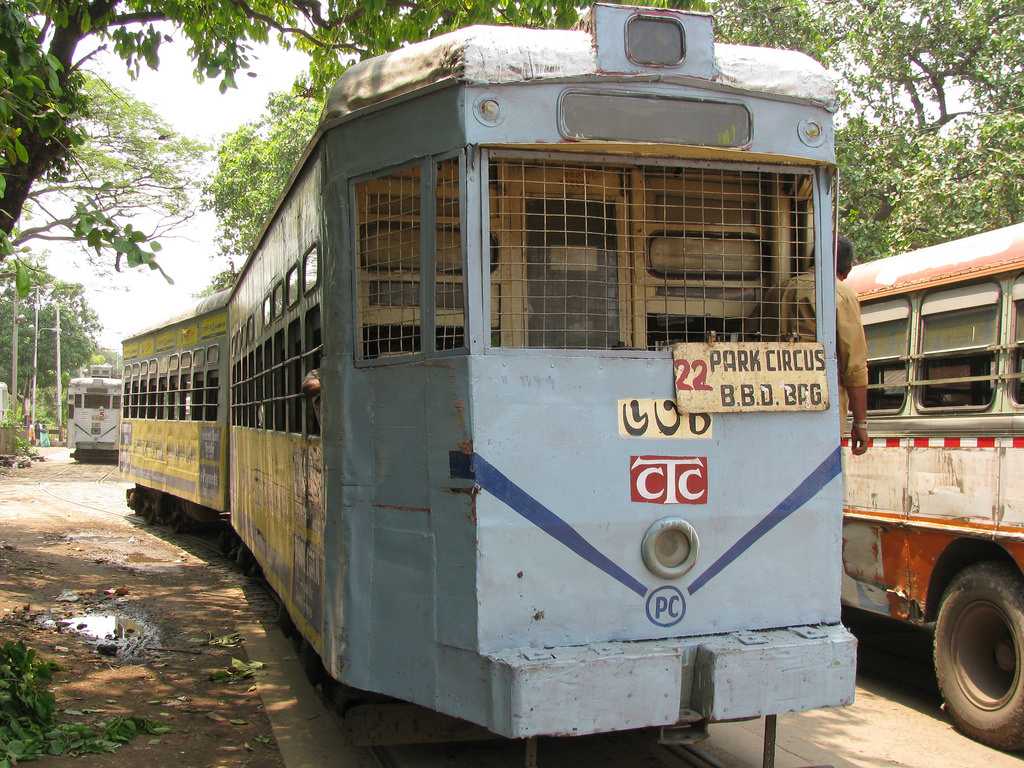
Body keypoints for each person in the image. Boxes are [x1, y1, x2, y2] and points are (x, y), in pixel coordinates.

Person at [770, 236, 869, 455]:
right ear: (847, 268)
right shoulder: (841, 294)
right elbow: (854, 365)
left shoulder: (778, 292)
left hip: (773, 408)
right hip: (821, 411)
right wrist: (860, 423)